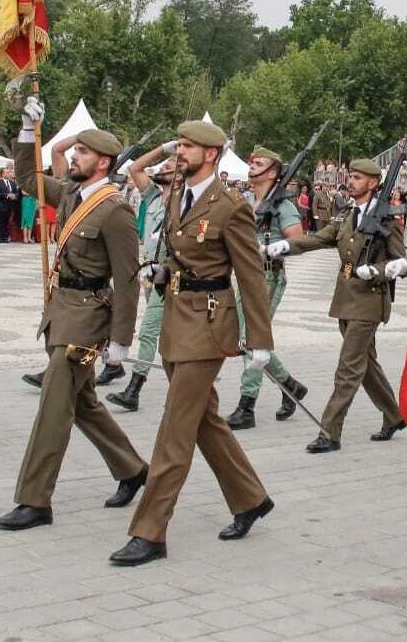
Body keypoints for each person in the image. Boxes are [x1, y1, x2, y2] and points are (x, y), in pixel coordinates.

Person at [110, 120, 277, 566]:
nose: (180, 152)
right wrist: (160, 272)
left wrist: (260, 340)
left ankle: (150, 531)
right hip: (175, 320)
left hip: (207, 326)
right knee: (203, 419)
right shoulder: (177, 195)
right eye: (180, 144)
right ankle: (250, 498)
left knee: (175, 430)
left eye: (189, 146)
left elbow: (250, 275)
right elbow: (182, 256)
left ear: (212, 154)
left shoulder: (230, 206)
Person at [0, 108, 149, 532]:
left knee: (53, 405)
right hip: (60, 309)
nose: (73, 155)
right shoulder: (68, 194)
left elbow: (128, 278)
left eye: (82, 151)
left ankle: (35, 499)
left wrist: (121, 339)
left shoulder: (114, 210)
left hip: (88, 318)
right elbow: (27, 180)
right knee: (82, 403)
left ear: (103, 161)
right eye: (74, 149)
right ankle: (133, 469)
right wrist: (27, 131)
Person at [270, 157, 407, 453]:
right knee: (366, 364)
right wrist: (287, 247)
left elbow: (406, 261)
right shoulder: (348, 214)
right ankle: (394, 416)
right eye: (351, 176)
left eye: (358, 178)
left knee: (348, 367)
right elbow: (321, 239)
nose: (351, 181)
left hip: (369, 301)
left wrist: (380, 271)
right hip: (346, 297)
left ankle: (330, 431)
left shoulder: (387, 221)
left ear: (373, 184)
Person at [225, 146, 309, 430]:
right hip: (246, 276)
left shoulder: (283, 205)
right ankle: (290, 386)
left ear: (272, 172)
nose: (251, 167)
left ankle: (246, 405)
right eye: (251, 162)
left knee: (253, 340)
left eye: (258, 163)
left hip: (268, 277)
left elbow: (297, 241)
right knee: (246, 339)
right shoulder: (246, 200)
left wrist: (270, 249)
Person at [107, 148, 179, 412]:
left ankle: (134, 390)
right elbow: (135, 168)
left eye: (168, 168)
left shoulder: (185, 203)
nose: (161, 170)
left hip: (169, 278)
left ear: (181, 176)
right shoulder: (155, 197)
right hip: (149, 275)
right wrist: (163, 150)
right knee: (170, 335)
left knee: (149, 331)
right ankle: (188, 385)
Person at [0, 167, 20, 242]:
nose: (8, 174)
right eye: (6, 173)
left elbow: (17, 192)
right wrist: (7, 195)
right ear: (3, 174)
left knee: (7, 222)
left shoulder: (12, 183)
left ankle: (5, 237)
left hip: (10, 206)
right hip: (2, 205)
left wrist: (15, 196)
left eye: (9, 172)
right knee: (1, 222)